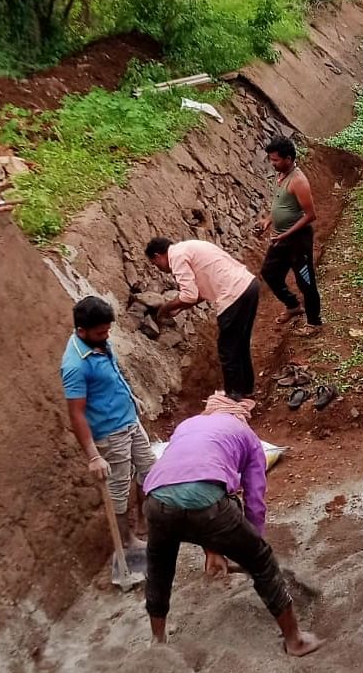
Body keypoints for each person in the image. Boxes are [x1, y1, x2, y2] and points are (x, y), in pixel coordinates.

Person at [141, 392, 323, 655]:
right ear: (241, 418)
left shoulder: (188, 426)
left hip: (156, 500)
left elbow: (185, 476)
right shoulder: (247, 438)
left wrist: (212, 550)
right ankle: (295, 640)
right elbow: (254, 500)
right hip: (204, 501)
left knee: (160, 568)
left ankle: (158, 640)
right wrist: (254, 544)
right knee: (262, 560)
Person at [61, 294, 153, 587]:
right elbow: (76, 414)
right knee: (118, 488)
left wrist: (132, 397)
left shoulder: (99, 341)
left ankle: (145, 525)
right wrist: (92, 455)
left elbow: (114, 374)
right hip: (110, 433)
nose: (107, 335)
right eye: (101, 332)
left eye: (107, 330)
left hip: (129, 419)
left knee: (148, 471)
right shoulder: (75, 365)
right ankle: (127, 541)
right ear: (81, 331)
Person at [148, 237, 259, 397]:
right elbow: (197, 292)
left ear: (158, 255)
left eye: (155, 264)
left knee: (227, 350)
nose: (158, 268)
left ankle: (234, 397)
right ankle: (246, 390)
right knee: (240, 344)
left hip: (233, 295)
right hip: (248, 285)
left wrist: (166, 307)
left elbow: (189, 295)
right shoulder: (187, 247)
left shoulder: (176, 257)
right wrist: (180, 308)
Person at [259, 136, 321, 331]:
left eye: (276, 160)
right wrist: (268, 220)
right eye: (271, 159)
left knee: (305, 281)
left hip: (297, 240)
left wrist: (286, 235)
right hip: (281, 238)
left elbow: (310, 215)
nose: (273, 163)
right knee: (269, 273)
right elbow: (281, 205)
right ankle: (293, 305)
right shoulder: (281, 177)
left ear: (288, 158)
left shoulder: (298, 181)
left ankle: (314, 322)